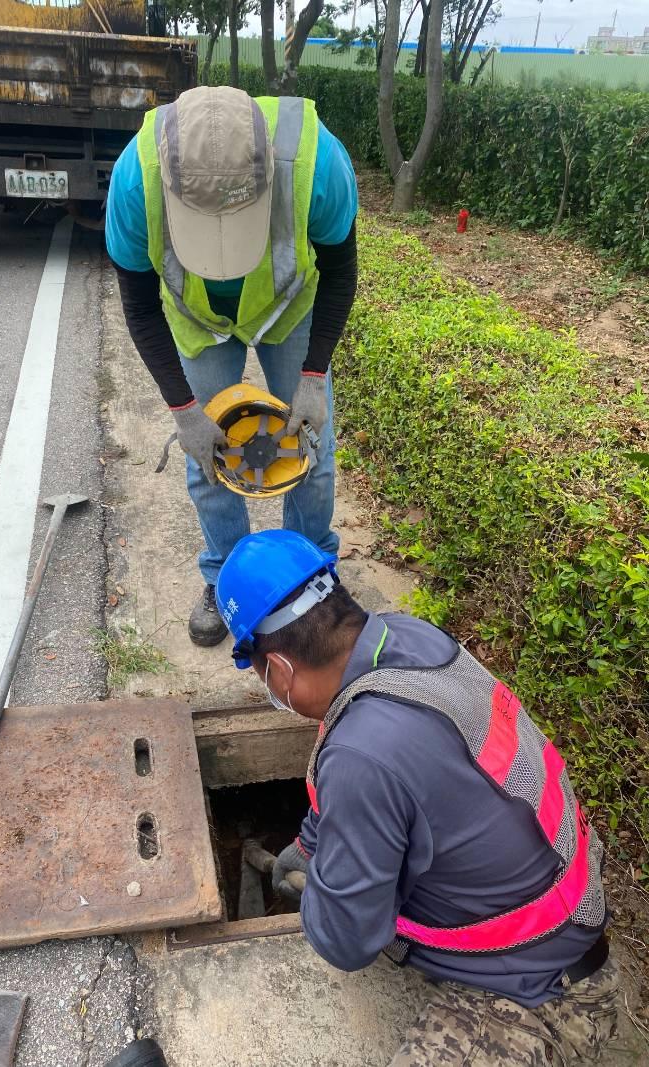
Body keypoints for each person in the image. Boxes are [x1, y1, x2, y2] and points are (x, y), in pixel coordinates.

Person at [215, 529, 619, 1066]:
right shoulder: (408, 642)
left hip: (548, 998)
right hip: (570, 926)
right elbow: (396, 774)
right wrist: (313, 843)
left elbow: (346, 942)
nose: (269, 689)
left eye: (261, 671)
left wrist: (321, 896)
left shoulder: (362, 755)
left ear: (281, 668)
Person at [106, 85, 358, 647]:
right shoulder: (135, 178)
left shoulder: (316, 162)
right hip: (199, 320)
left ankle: (310, 576)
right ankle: (225, 579)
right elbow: (140, 307)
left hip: (289, 309)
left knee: (311, 447)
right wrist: (184, 411)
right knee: (209, 454)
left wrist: (313, 376)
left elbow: (341, 271)